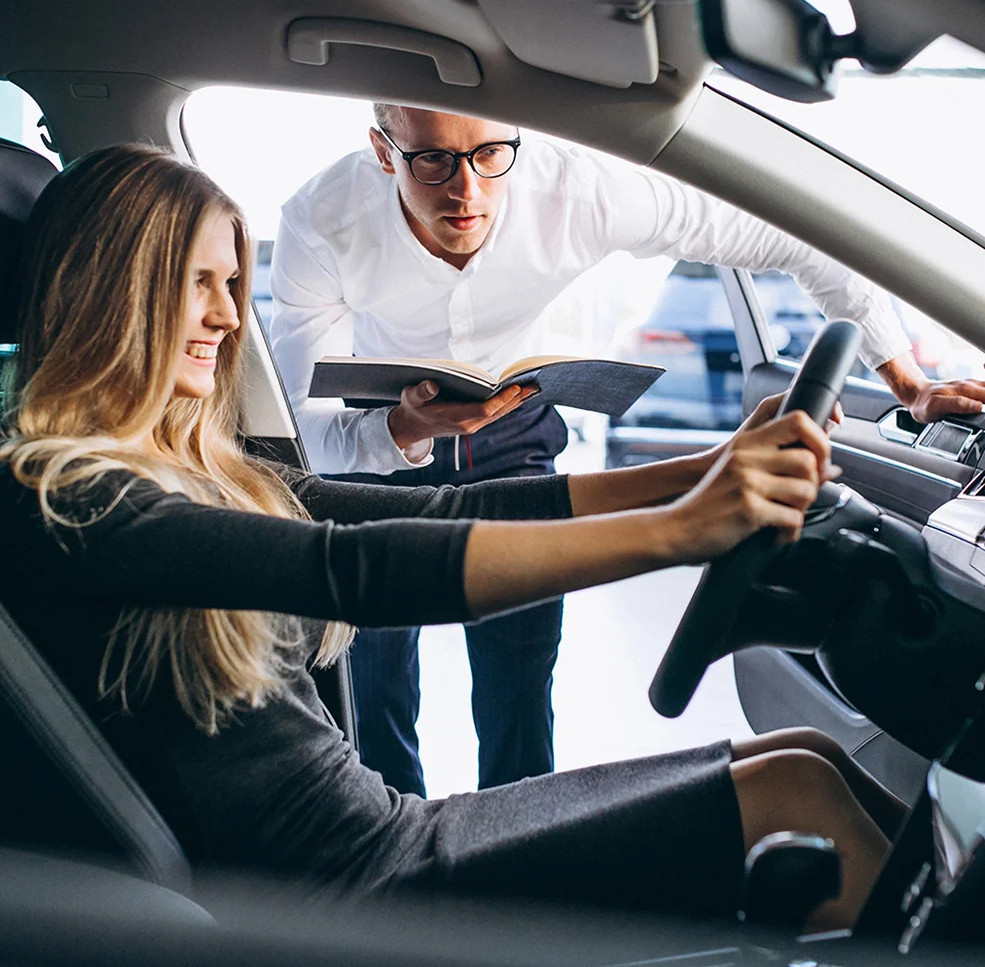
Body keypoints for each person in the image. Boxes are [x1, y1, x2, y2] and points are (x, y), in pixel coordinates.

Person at [0, 144, 905, 931]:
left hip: (378, 836)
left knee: (802, 760)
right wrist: (682, 531)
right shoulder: (66, 496)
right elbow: (356, 571)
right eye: (198, 284)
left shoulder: (191, 468)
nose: (231, 316)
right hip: (344, 890)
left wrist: (697, 472)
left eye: (232, 283)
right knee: (796, 803)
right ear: (112, 288)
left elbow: (431, 516)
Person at [269, 105, 985, 797]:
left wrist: (907, 382)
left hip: (515, 423)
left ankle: (515, 851)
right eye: (432, 161)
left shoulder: (579, 191)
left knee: (520, 667)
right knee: (376, 675)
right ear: (382, 150)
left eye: (490, 155)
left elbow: (800, 237)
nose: (467, 189)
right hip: (381, 432)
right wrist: (406, 429)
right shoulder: (321, 219)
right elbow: (313, 431)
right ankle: (399, 868)